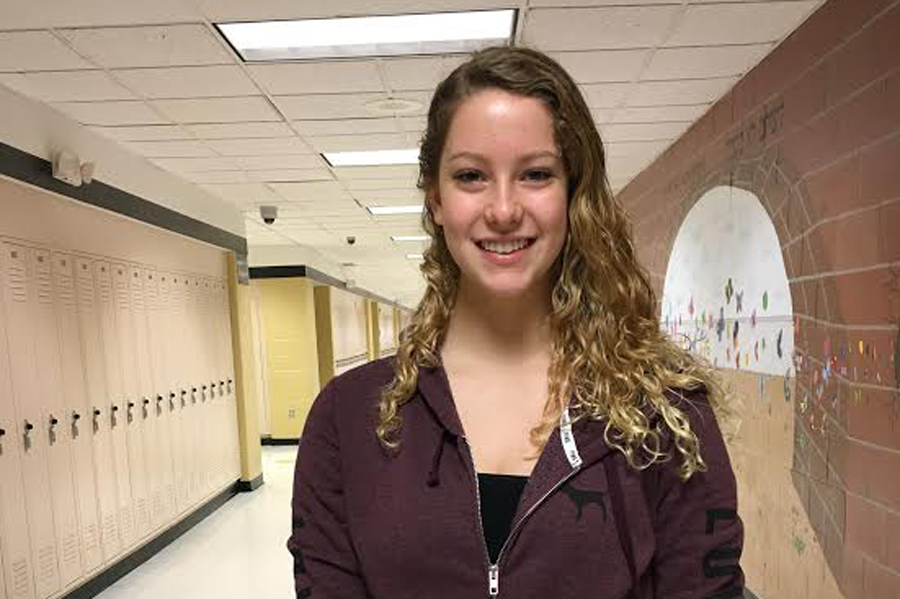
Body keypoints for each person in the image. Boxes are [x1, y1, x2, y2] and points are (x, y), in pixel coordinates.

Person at [287, 46, 744, 599]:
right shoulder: (350, 416)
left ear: (574, 192)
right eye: (472, 176)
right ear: (435, 198)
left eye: (535, 174)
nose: (503, 210)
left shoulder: (664, 409)